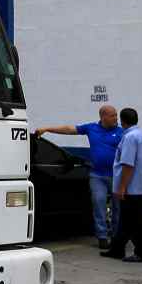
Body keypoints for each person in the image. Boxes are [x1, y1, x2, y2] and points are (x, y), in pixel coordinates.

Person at [36, 105, 124, 249]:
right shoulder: (91, 128)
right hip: (97, 176)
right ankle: (102, 236)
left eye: (116, 115)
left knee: (118, 207)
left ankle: (116, 236)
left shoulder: (121, 132)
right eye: (112, 115)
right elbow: (69, 129)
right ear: (103, 117)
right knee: (98, 203)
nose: (116, 118)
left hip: (117, 176)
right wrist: (47, 129)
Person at [102, 108, 142, 263]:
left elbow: (128, 164)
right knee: (127, 221)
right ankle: (117, 249)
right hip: (140, 187)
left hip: (130, 189)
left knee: (137, 223)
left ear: (122, 121)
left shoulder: (129, 138)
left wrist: (122, 187)